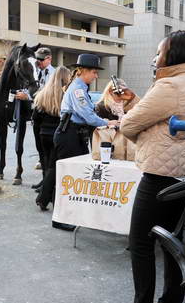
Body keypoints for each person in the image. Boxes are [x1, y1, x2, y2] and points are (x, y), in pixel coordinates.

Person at [110, 31, 185, 303]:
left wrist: (124, 114)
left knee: (140, 242)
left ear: (172, 53)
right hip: (183, 173)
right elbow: (159, 115)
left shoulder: (168, 84)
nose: (156, 54)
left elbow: (130, 124)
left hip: (159, 175)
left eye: (160, 49)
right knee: (171, 243)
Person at [37, 54, 117, 226]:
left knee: (55, 168)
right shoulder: (78, 89)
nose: (96, 76)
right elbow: (88, 116)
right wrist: (107, 122)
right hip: (71, 134)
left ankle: (43, 199)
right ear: (83, 71)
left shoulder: (79, 87)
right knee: (68, 175)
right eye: (94, 72)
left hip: (68, 133)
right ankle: (60, 218)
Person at [15, 47, 56, 177]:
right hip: (37, 114)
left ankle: (48, 181)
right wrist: (25, 93)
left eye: (41, 59)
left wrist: (28, 97)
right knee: (40, 149)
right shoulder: (37, 72)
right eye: (36, 59)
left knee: (48, 151)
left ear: (49, 59)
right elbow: (33, 88)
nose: (38, 62)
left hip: (48, 115)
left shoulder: (53, 74)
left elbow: (47, 94)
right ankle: (44, 179)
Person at [31, 66, 71, 196]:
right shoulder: (66, 97)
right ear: (65, 79)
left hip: (43, 134)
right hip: (58, 135)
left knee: (45, 161)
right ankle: (48, 193)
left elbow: (35, 120)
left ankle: (44, 190)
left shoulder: (41, 95)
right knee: (54, 166)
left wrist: (38, 138)